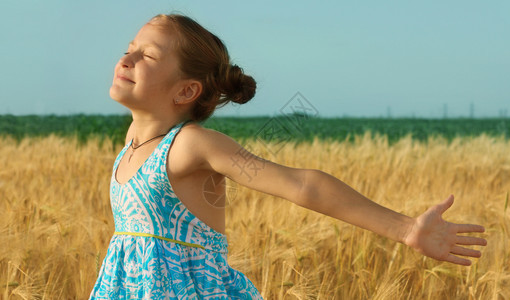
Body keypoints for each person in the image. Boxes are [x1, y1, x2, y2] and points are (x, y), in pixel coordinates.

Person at [89, 13, 487, 299]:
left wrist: (406, 229)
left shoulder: (191, 145)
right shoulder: (134, 142)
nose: (127, 59)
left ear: (186, 91)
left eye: (149, 56)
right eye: (130, 49)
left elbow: (301, 185)